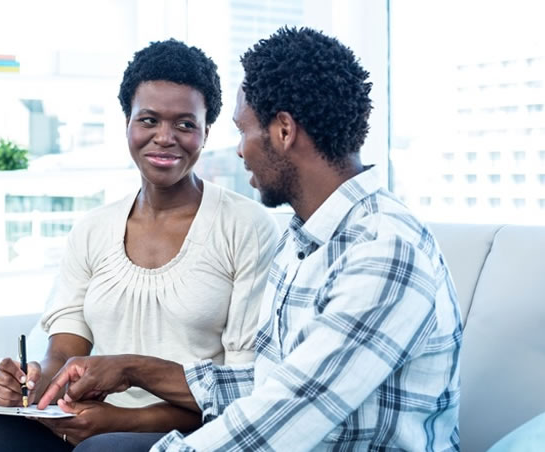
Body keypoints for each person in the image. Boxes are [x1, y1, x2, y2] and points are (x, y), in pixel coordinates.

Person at [38, 27, 463, 451]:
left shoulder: (383, 251)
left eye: (243, 131)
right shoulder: (305, 241)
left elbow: (287, 413)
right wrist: (132, 369)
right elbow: (267, 383)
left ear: (283, 131)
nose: (240, 152)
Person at [0, 39, 278, 451]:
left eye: (185, 124)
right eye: (149, 120)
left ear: (207, 132)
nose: (165, 138)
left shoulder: (246, 227)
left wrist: (125, 420)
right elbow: (65, 349)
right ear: (127, 123)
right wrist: (28, 385)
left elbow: (244, 385)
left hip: (193, 426)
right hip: (92, 418)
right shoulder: (93, 228)